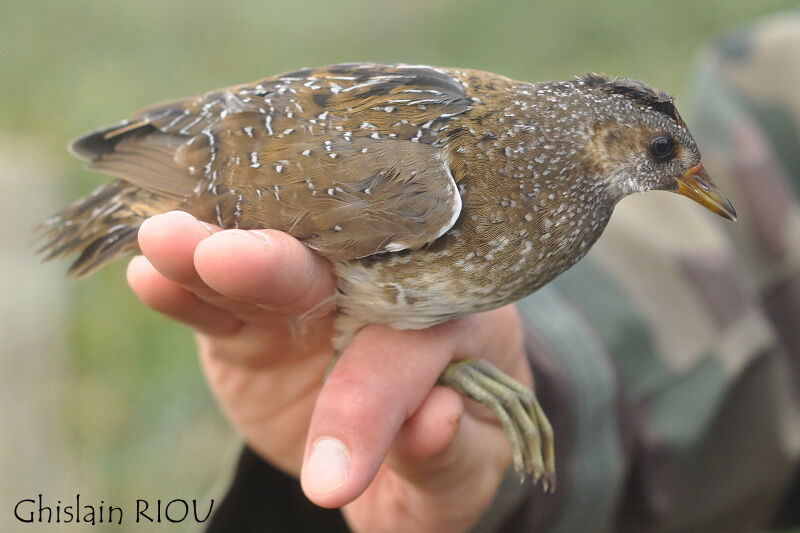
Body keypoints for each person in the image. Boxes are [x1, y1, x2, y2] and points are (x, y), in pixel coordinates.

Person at [125, 12, 800, 532]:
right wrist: (548, 376)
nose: (682, 175)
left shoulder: (561, 200)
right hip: (203, 179)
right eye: (661, 153)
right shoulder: (442, 181)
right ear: (602, 143)